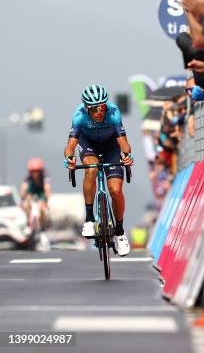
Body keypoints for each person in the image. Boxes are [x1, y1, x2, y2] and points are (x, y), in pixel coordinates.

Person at [63, 84, 134, 256]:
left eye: (102, 106)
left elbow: (123, 141)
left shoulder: (113, 112)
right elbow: (71, 145)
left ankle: (119, 232)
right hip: (89, 145)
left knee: (115, 190)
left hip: (111, 146)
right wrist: (70, 159)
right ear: (87, 108)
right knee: (91, 170)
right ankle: (89, 218)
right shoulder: (79, 116)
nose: (100, 111)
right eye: (95, 108)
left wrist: (126, 155)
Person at [19, 157, 52, 230]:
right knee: (26, 204)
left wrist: (45, 201)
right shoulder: (28, 177)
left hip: (41, 191)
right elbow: (23, 187)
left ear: (40, 171)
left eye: (37, 171)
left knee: (41, 207)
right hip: (32, 190)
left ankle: (42, 224)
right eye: (33, 171)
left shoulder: (45, 177)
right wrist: (23, 199)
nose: (35, 173)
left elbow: (47, 189)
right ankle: (28, 222)